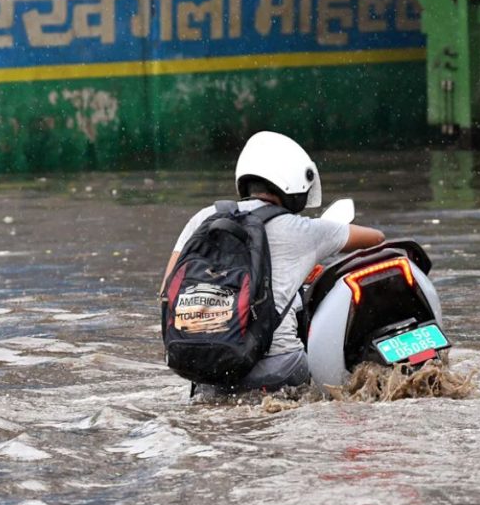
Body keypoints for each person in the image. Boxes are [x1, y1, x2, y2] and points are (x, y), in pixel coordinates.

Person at [161, 131, 385, 392]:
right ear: (294, 182)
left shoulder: (202, 219)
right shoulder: (302, 229)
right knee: (339, 377)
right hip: (281, 368)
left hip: (206, 373)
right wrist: (327, 229)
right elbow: (375, 238)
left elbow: (167, 289)